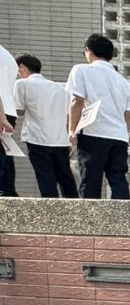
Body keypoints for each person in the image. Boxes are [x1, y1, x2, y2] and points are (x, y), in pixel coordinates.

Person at [66, 34, 130, 199]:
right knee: (118, 178)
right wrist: (124, 135)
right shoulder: (125, 83)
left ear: (88, 51)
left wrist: (72, 130)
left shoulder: (81, 70)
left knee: (90, 179)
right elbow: (128, 116)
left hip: (93, 132)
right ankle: (123, 213)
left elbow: (77, 101)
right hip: (119, 137)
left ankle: (90, 215)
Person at [13, 55, 78, 198]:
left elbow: (19, 111)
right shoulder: (60, 88)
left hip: (37, 138)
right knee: (66, 178)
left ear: (22, 67)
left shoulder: (22, 84)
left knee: (45, 177)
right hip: (60, 140)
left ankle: (51, 209)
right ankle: (76, 206)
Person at [0, 43, 19, 196]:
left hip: (2, 112)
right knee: (6, 153)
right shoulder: (8, 56)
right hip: (8, 110)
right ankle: (8, 192)